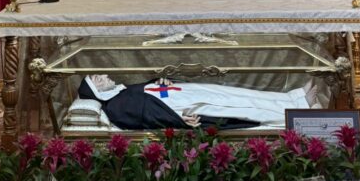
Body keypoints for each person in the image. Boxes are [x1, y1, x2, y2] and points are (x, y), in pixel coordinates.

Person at [78, 73, 313, 130]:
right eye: (98, 79)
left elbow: (142, 94)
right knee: (236, 105)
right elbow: (146, 116)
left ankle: (293, 98)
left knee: (234, 94)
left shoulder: (118, 94)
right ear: (97, 92)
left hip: (175, 94)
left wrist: (158, 82)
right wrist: (177, 119)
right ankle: (296, 111)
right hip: (176, 106)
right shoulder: (116, 107)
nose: (104, 76)